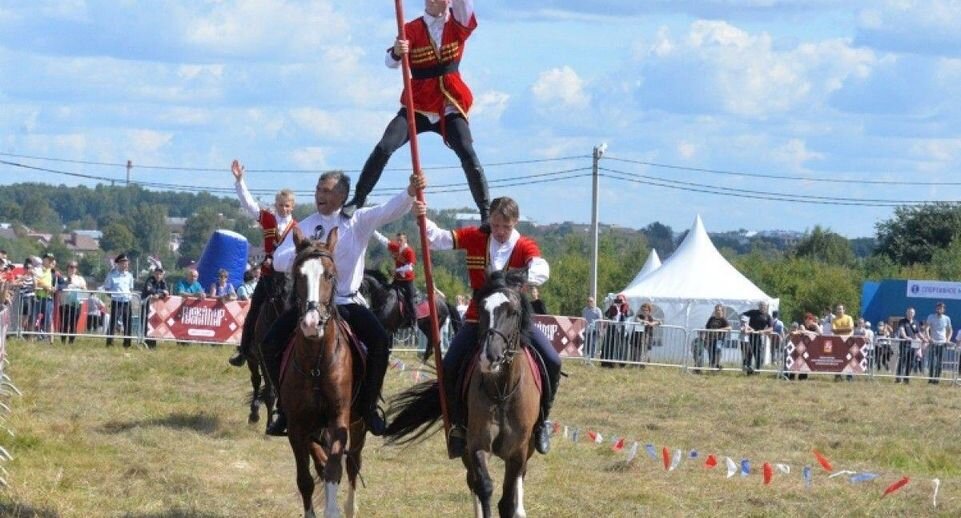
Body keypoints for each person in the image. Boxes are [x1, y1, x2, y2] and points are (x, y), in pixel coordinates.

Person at [261, 170, 426, 437]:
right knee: (268, 342)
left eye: (326, 191)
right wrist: (308, 252)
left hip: (346, 302)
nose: (319, 195)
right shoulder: (304, 225)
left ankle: (370, 406)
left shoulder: (357, 221)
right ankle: (284, 407)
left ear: (342, 196)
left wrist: (410, 191)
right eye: (318, 189)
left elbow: (389, 210)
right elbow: (279, 260)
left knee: (380, 341)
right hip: (309, 304)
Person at [414, 195, 558, 457]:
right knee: (448, 367)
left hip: (513, 318)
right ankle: (459, 425)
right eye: (496, 225)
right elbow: (438, 239)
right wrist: (422, 216)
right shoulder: (476, 237)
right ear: (490, 221)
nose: (501, 231)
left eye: (506, 226)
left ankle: (541, 423)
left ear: (515, 223)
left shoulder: (524, 245)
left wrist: (519, 278)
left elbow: (542, 268)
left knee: (553, 360)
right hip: (476, 316)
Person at [342, 0, 489, 227]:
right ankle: (359, 198)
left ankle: (485, 212)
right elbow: (389, 62)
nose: (432, 1)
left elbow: (465, 4)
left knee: (467, 152)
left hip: (448, 103)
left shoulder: (458, 23)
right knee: (385, 146)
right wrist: (398, 52)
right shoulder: (410, 28)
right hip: (417, 103)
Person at [228, 159, 297, 367]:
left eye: (287, 206)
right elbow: (248, 204)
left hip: (286, 277)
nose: (283, 209)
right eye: (280, 205)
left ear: (292, 206)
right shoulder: (267, 218)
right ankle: (244, 349)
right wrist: (240, 181)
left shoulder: (298, 227)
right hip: (267, 277)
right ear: (275, 205)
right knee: (254, 310)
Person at [373, 230, 418, 328]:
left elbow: (409, 267)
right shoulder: (396, 248)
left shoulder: (409, 251)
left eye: (401, 240)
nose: (398, 242)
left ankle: (414, 321)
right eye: (397, 240)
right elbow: (384, 241)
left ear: (405, 240)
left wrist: (396, 270)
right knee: (386, 292)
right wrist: (373, 231)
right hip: (397, 279)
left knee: (410, 300)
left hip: (407, 281)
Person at [103, 253, 135, 348]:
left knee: (128, 323)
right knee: (113, 323)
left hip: (126, 301)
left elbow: (131, 289)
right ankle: (109, 343)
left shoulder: (129, 276)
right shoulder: (111, 275)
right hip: (116, 301)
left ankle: (127, 344)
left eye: (126, 262)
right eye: (123, 262)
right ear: (118, 263)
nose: (125, 264)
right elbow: (107, 289)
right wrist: (114, 296)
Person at [56, 260, 88, 344]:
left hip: (76, 303)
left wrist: (81, 287)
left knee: (74, 323)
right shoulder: (63, 278)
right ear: (67, 268)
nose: (73, 269)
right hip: (64, 303)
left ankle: (71, 342)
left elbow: (85, 290)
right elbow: (58, 287)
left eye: (75, 267)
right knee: (64, 323)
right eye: (71, 267)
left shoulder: (80, 279)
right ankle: (63, 341)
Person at [141, 267, 170, 348]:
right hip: (146, 305)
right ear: (154, 274)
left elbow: (166, 292)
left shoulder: (163, 282)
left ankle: (152, 345)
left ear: (162, 275)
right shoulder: (150, 280)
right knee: (146, 324)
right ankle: (145, 342)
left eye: (160, 274)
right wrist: (160, 292)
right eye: (157, 273)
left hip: (155, 307)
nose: (158, 275)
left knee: (153, 324)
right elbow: (149, 290)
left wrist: (159, 294)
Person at [740, 301, 772, 375]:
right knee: (749, 354)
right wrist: (746, 326)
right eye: (761, 305)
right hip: (749, 336)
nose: (762, 307)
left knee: (758, 355)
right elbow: (742, 315)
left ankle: (757, 371)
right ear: (759, 306)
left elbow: (771, 328)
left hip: (759, 337)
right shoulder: (753, 312)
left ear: (766, 307)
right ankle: (749, 371)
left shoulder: (768, 316)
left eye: (764, 306)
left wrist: (763, 331)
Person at [924, 302, 952, 384]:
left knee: (939, 362)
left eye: (941, 308)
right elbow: (927, 328)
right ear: (936, 309)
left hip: (942, 343)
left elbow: (950, 330)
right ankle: (931, 379)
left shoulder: (947, 318)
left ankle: (937, 380)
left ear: (944, 310)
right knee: (932, 362)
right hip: (933, 343)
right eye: (938, 308)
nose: (939, 309)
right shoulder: (931, 317)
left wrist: (948, 339)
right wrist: (929, 338)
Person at [698, 304, 731, 371]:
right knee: (710, 353)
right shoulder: (711, 318)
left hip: (719, 339)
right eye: (716, 310)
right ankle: (713, 367)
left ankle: (715, 366)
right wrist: (705, 337)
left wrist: (720, 329)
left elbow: (729, 327)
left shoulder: (723, 319)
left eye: (719, 310)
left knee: (717, 352)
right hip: (710, 339)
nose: (717, 311)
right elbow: (707, 327)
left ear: (722, 311)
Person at [603, 294, 633, 366]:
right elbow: (607, 314)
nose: (619, 301)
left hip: (623, 330)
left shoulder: (627, 308)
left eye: (621, 300)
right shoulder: (613, 307)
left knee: (622, 346)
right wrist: (613, 306)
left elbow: (629, 314)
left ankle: (621, 362)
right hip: (613, 329)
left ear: (624, 300)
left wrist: (623, 307)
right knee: (610, 345)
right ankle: (608, 362)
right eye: (618, 299)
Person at [895, 307, 920, 384]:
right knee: (902, 361)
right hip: (904, 344)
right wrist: (906, 337)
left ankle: (906, 379)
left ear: (914, 314)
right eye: (909, 312)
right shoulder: (902, 321)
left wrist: (924, 339)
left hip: (913, 345)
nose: (910, 314)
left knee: (911, 362)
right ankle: (898, 379)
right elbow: (901, 330)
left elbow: (918, 333)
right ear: (906, 313)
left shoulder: (916, 322)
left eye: (912, 313)